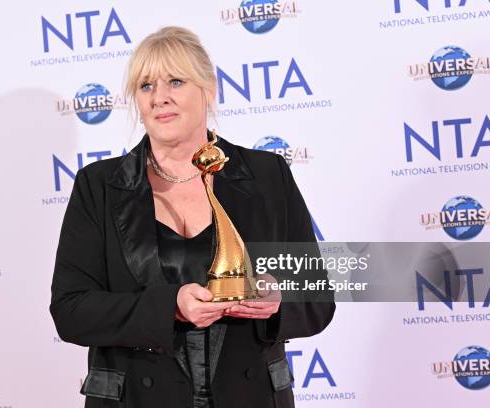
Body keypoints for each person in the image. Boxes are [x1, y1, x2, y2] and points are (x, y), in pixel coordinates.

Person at [50, 26, 335, 408]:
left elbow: (318, 299)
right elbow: (71, 311)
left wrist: (277, 301)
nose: (159, 98)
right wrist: (169, 306)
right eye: (146, 86)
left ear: (209, 89)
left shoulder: (268, 176)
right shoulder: (99, 185)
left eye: (176, 81)